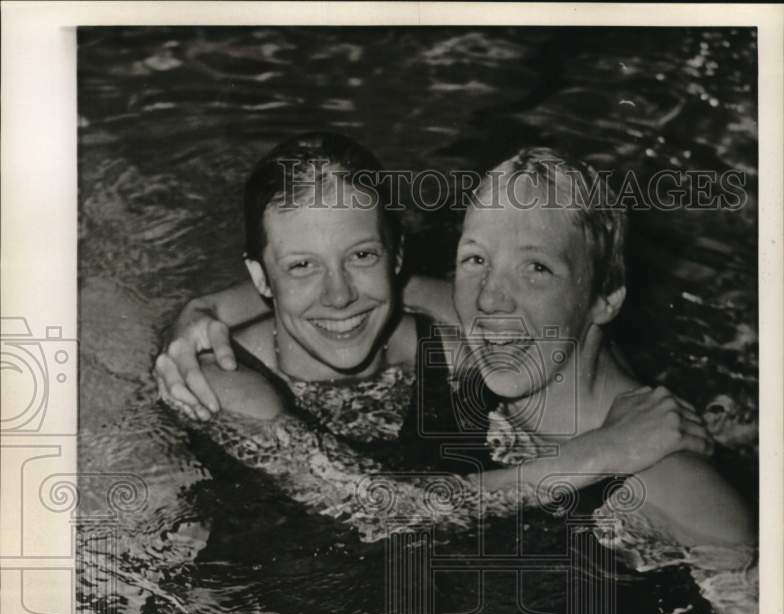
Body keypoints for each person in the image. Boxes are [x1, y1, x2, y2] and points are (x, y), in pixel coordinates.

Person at [157, 134, 719, 543]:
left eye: (361, 256)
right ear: (261, 279)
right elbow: (375, 509)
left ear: (396, 258)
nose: (339, 296)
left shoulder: (442, 334)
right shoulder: (222, 380)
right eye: (301, 266)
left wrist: (645, 419)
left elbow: (562, 324)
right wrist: (602, 452)